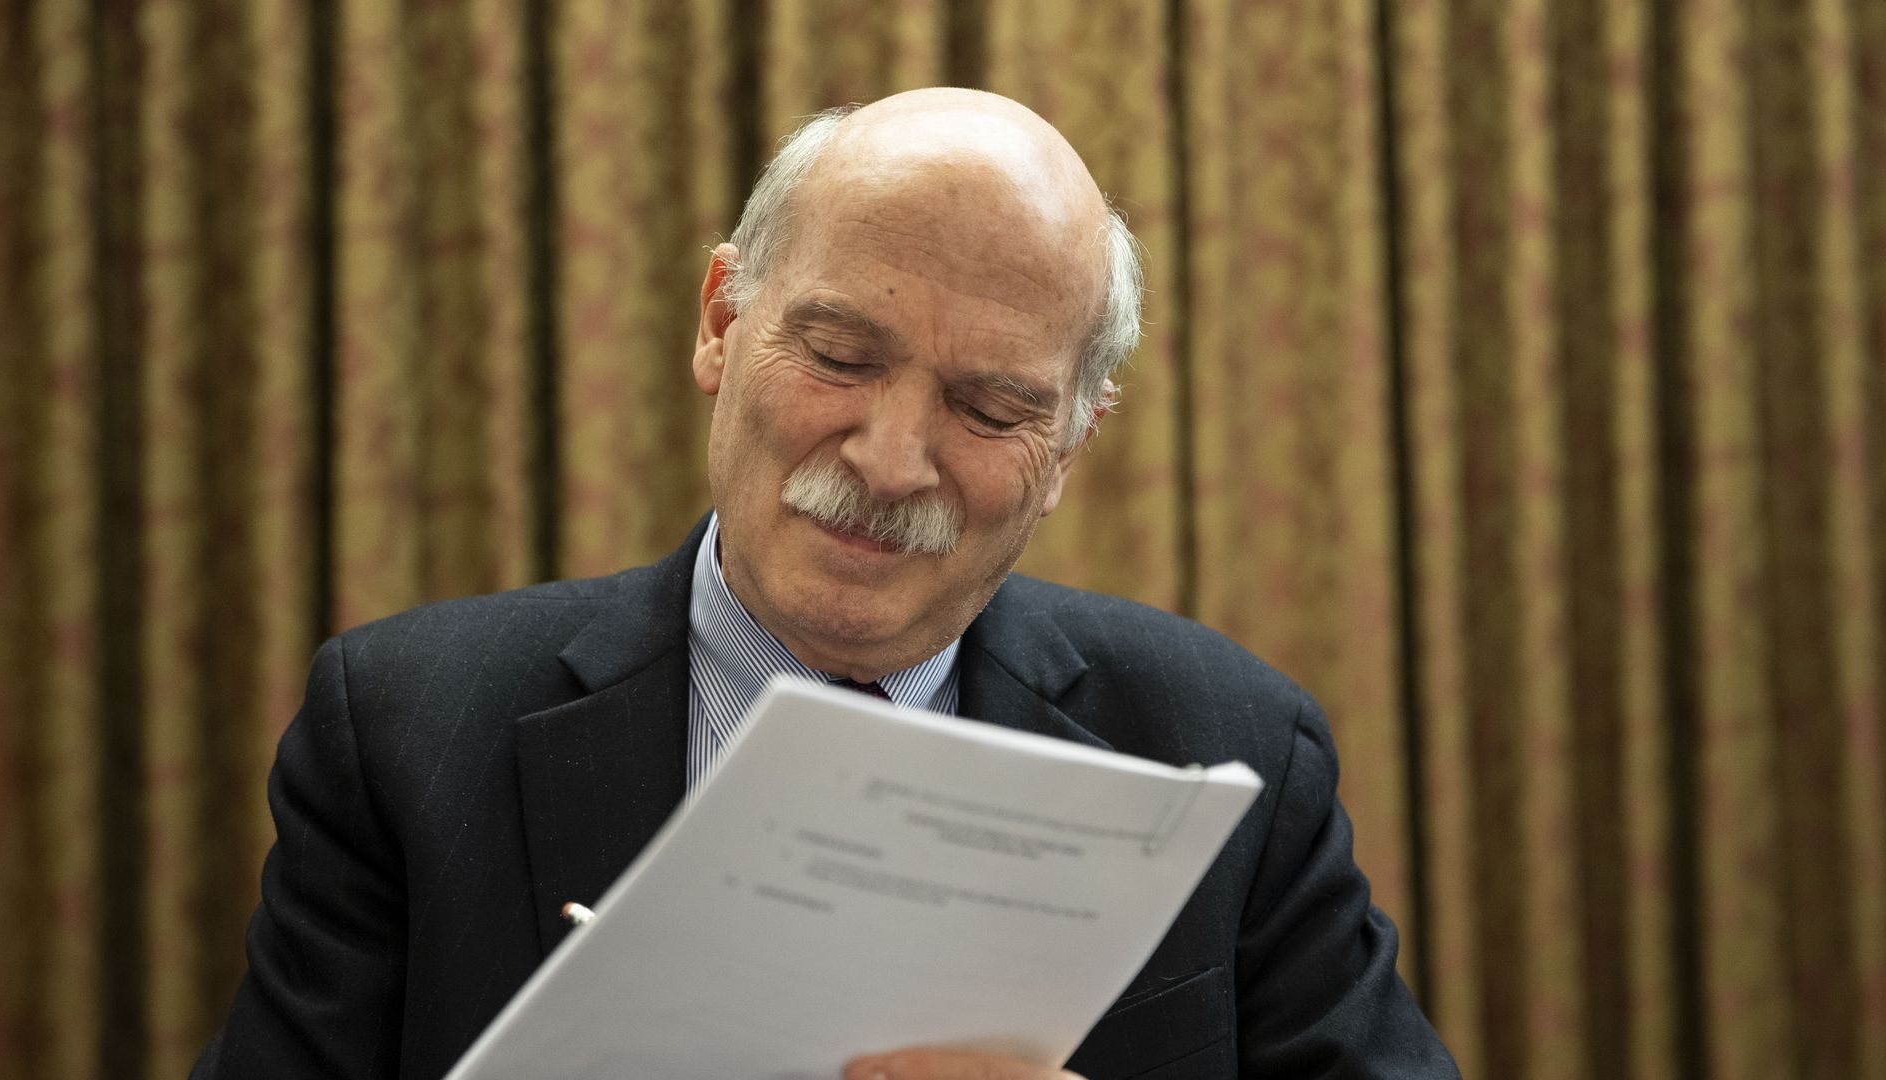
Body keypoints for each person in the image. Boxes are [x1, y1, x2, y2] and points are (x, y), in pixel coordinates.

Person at [192, 88, 1459, 1080]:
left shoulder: (1230, 751)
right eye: (841, 355)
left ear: (1069, 444)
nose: (892, 458)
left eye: (991, 406)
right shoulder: (407, 729)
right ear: (720, 321)